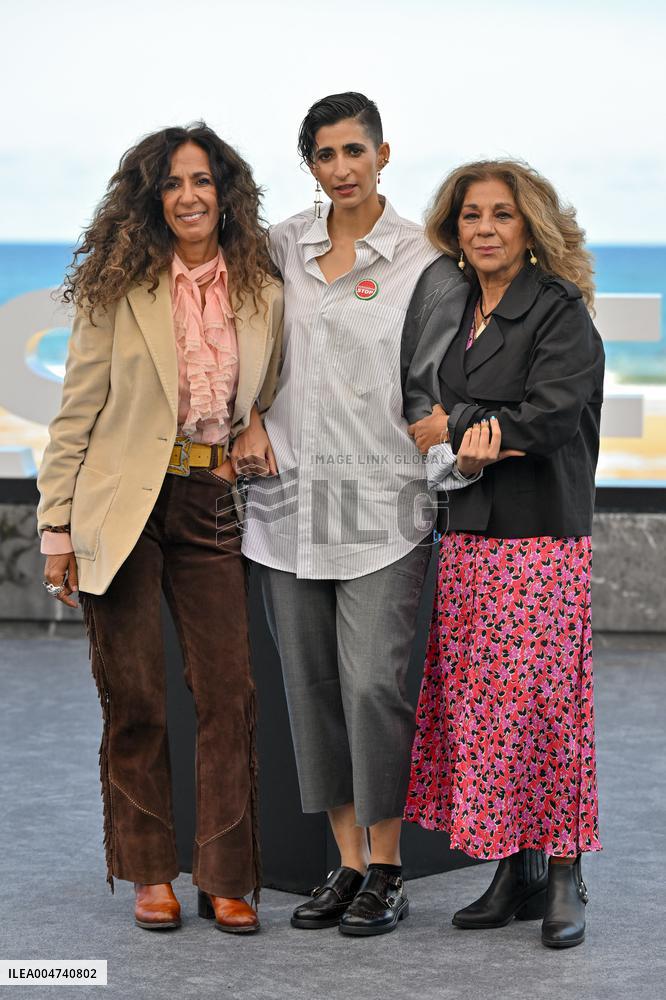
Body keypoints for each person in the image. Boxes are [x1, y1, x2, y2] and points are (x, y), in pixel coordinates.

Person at [235, 92, 473, 937]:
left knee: (375, 687)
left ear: (383, 154)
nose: (342, 169)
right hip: (288, 505)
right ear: (310, 165)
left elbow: (443, 376)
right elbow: (236, 343)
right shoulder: (274, 251)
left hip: (384, 502)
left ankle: (388, 865)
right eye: (325, 155)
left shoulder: (423, 261)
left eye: (354, 152)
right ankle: (343, 862)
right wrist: (247, 417)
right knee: (313, 690)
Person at [37, 123, 283, 934]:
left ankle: (225, 875)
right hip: (121, 506)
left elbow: (274, 386)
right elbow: (75, 415)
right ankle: (148, 871)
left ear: (226, 192)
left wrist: (257, 426)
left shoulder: (262, 289)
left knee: (228, 695)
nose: (189, 196)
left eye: (203, 181)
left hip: (208, 498)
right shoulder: (120, 290)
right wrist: (57, 531)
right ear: (152, 200)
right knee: (135, 696)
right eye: (173, 184)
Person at [402, 159, 604, 949]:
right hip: (468, 536)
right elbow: (439, 408)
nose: (484, 228)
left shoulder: (557, 311)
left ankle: (563, 872)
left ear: (530, 229)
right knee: (487, 711)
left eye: (502, 215)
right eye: (470, 216)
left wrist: (455, 428)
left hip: (540, 538)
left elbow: (547, 416)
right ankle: (515, 871)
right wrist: (462, 433)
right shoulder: (457, 308)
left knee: (548, 708)